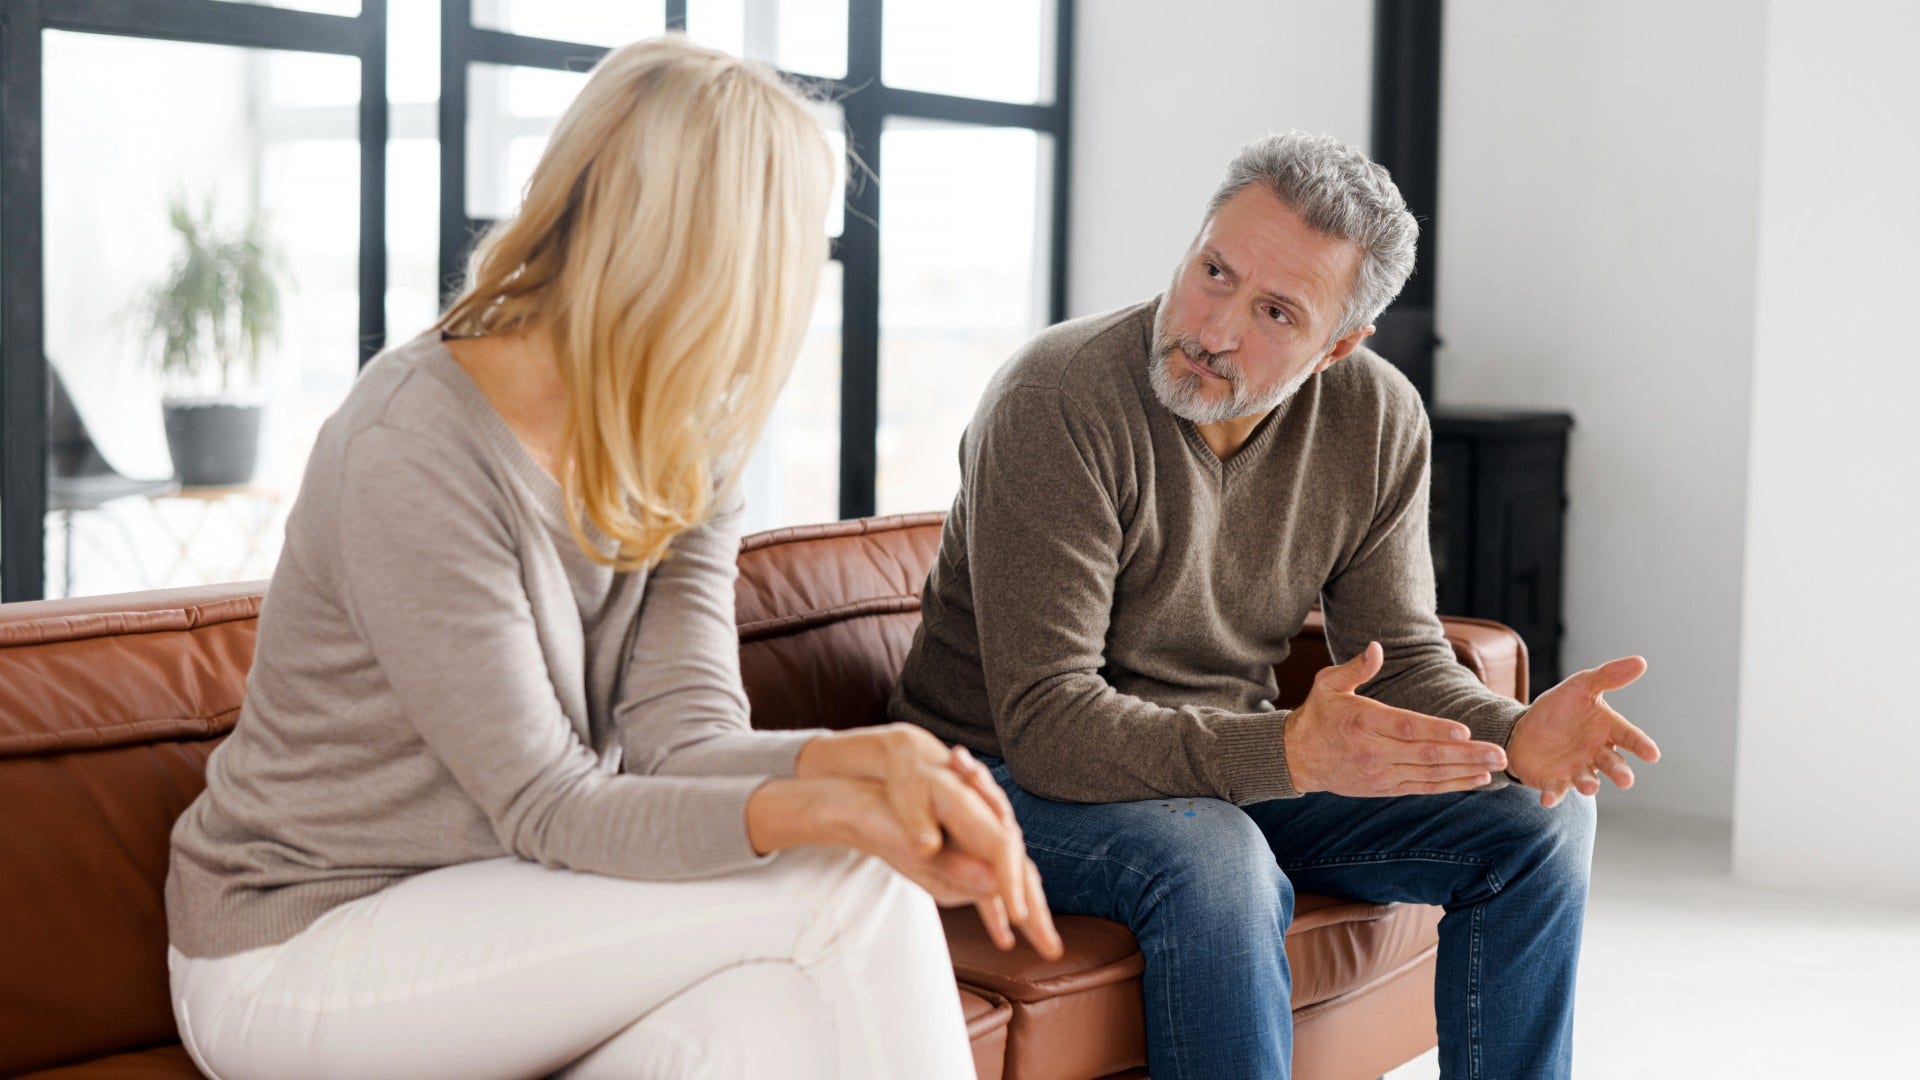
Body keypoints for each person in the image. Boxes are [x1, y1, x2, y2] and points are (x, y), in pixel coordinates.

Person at [164, 36, 1059, 1080]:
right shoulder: (410, 444)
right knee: (853, 883)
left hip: (500, 907)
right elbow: (553, 805)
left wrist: (877, 758)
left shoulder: (683, 437)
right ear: (702, 255)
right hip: (295, 950)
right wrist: (840, 809)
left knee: (771, 1017)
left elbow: (685, 740)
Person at [889, 129, 1660, 1079]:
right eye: (1212, 270)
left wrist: (1510, 736)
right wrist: (1283, 752)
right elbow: (1048, 721)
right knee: (1218, 855)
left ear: (1339, 344)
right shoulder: (1057, 400)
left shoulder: (1376, 419)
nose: (1213, 329)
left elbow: (1407, 661)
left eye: (1275, 313)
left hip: (1223, 759)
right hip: (1005, 771)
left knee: (1541, 822)